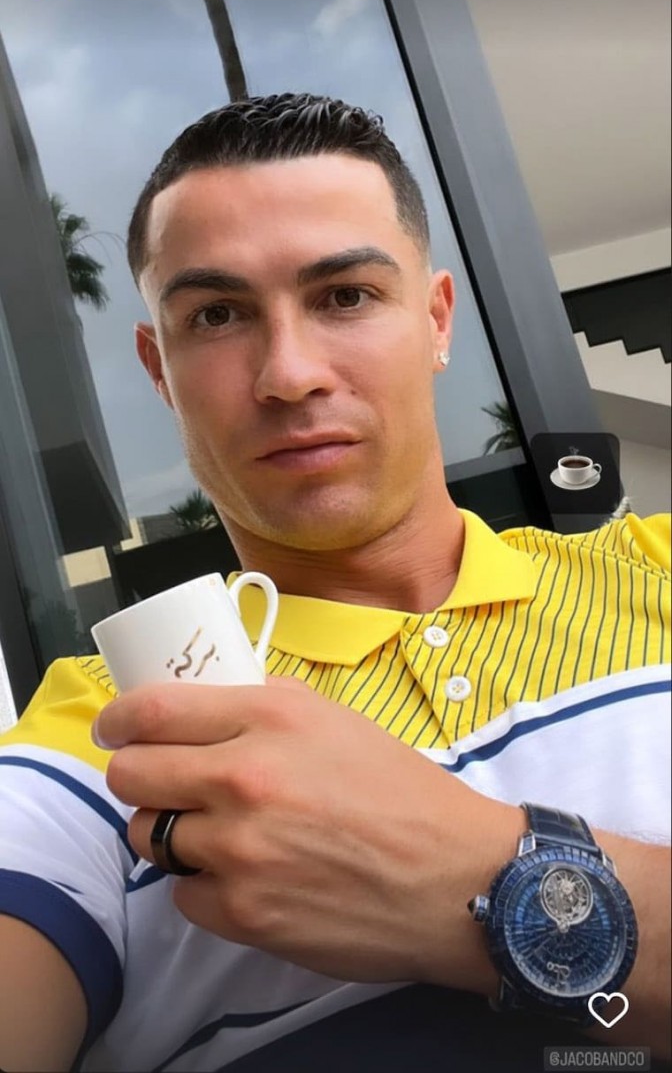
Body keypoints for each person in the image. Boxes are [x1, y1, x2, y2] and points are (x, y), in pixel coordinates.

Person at [0, 93, 669, 1073]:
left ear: (436, 321)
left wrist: (478, 879)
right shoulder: (106, 728)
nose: (289, 372)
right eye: (217, 314)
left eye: (345, 295)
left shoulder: (656, 568)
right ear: (159, 369)